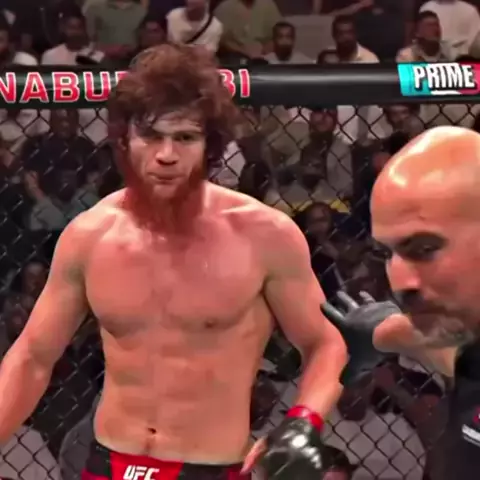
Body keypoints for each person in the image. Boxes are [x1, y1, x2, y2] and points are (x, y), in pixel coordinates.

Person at [0, 44, 348, 480]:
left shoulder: (264, 234)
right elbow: (33, 357)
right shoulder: (90, 235)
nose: (166, 154)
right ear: (125, 140)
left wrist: (303, 422)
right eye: (151, 135)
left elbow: (326, 343)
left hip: (210, 467)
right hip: (109, 463)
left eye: (185, 137)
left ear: (210, 145)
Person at [320, 126, 480, 479]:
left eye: (425, 248)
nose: (400, 282)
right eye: (386, 253)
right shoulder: (463, 348)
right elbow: (435, 343)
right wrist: (376, 333)